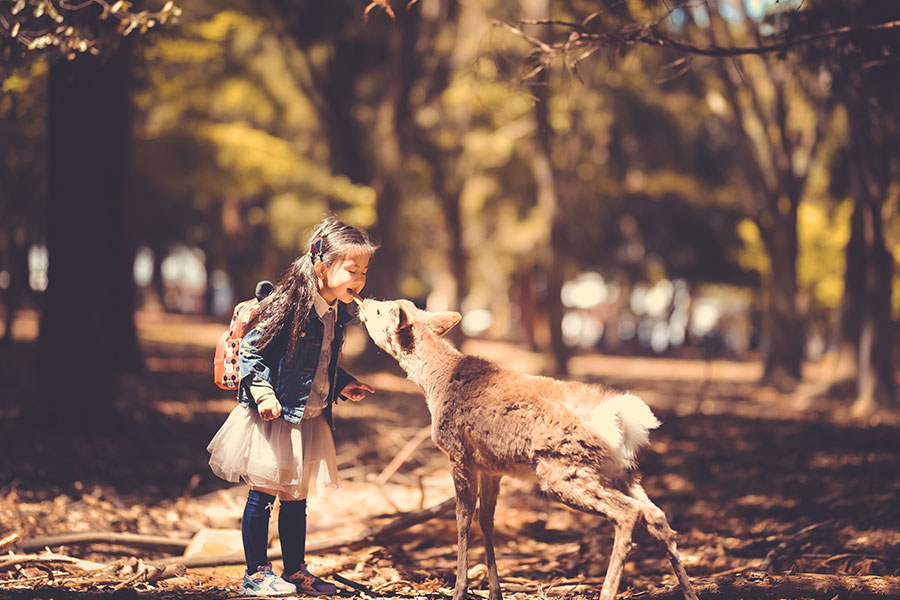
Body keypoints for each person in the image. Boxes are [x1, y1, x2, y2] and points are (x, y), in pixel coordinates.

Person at [207, 217, 377, 596]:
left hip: (308, 417)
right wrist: (264, 394)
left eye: (364, 272)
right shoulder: (291, 303)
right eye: (352, 270)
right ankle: (255, 572)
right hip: (274, 416)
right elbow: (253, 351)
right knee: (263, 494)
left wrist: (344, 384)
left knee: (296, 500)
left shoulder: (337, 310)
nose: (359, 279)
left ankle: (295, 570)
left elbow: (319, 361)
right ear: (321, 266)